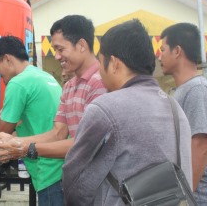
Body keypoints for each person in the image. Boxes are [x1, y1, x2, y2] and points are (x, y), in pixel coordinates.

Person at [61, 19, 192, 205]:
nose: (99, 68)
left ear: (114, 63)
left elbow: (76, 183)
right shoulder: (174, 107)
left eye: (100, 61)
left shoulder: (105, 108)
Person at [0, 35, 65, 206]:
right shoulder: (43, 76)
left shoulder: (18, 83)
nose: (1, 78)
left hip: (48, 169)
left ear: (7, 59)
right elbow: (33, 122)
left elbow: (2, 133)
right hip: (62, 167)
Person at [0, 15, 106, 161]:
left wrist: (24, 148)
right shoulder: (69, 86)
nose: (57, 57)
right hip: (73, 174)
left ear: (81, 45)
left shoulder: (101, 83)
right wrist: (15, 143)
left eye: (60, 49)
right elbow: (58, 134)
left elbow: (88, 143)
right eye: (55, 50)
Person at [159, 22, 207, 204]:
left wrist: (185, 197)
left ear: (177, 51)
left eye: (163, 50)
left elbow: (201, 145)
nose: (159, 56)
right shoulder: (180, 90)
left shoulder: (197, 89)